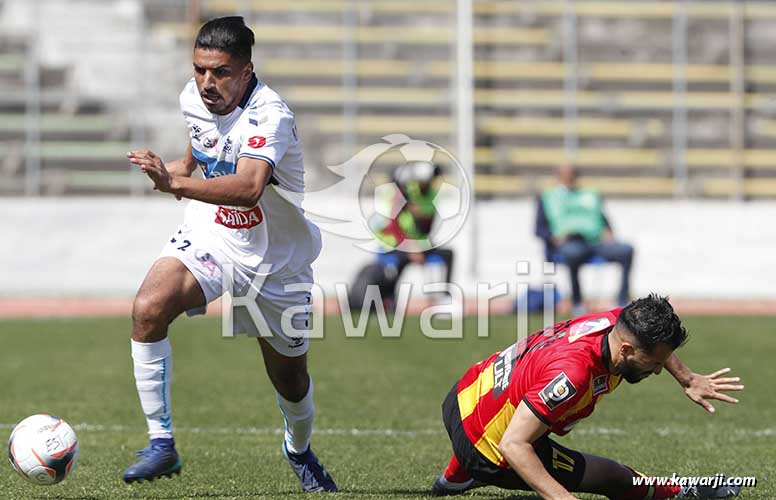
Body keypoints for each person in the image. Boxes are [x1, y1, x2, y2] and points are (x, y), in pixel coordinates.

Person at [122, 17, 337, 492]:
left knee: (291, 380)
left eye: (219, 72)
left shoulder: (270, 115)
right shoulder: (191, 99)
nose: (205, 83)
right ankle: (161, 443)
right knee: (148, 308)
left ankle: (298, 449)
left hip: (277, 263)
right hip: (212, 236)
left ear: (246, 71)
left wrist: (175, 183)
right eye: (199, 70)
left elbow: (247, 188)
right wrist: (165, 171)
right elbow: (200, 160)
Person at [431, 294, 744, 499]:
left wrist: (687, 379)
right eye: (655, 363)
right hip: (488, 450)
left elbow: (645, 335)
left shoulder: (617, 323)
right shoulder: (573, 375)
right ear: (626, 350)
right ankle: (682, 491)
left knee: (518, 412)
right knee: (614, 477)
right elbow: (513, 445)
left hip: (465, 395)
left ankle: (452, 480)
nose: (661, 371)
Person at [349, 161, 454, 310]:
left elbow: (423, 228)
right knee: (395, 267)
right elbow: (390, 227)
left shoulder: (425, 197)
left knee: (447, 255)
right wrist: (409, 248)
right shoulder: (394, 197)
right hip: (392, 246)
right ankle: (388, 299)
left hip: (411, 244)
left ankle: (443, 298)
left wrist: (419, 243)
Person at [535, 163, 634, 315]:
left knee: (626, 250)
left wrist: (608, 232)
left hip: (595, 242)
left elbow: (602, 219)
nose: (569, 178)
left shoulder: (589, 195)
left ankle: (622, 300)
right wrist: (552, 238)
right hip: (570, 243)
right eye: (565, 174)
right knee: (573, 254)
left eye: (572, 174)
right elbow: (539, 229)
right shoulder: (548, 197)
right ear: (558, 176)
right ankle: (577, 302)